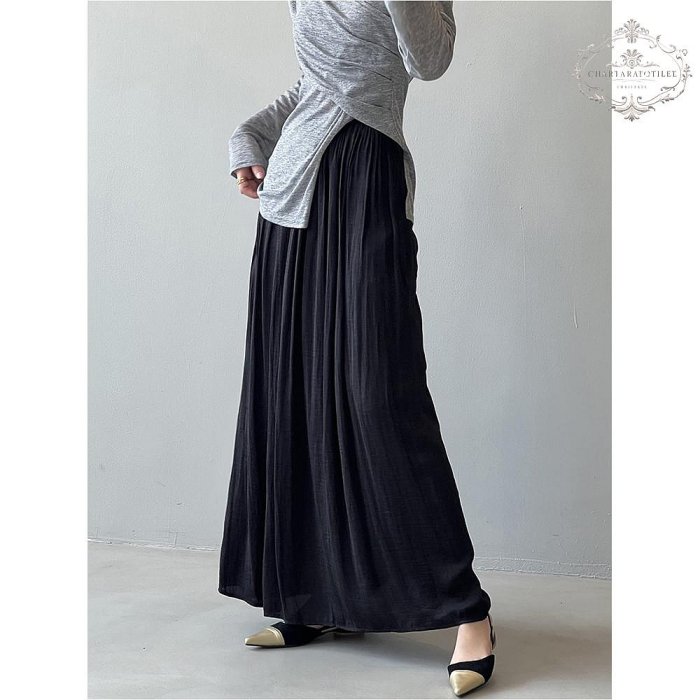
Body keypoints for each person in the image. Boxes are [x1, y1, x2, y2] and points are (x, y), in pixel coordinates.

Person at [219, 2, 496, 696]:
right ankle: (314, 597)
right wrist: (252, 134)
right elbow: (316, 84)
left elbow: (427, 62)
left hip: (365, 182)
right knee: (293, 394)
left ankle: (468, 613)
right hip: (290, 200)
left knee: (379, 395)